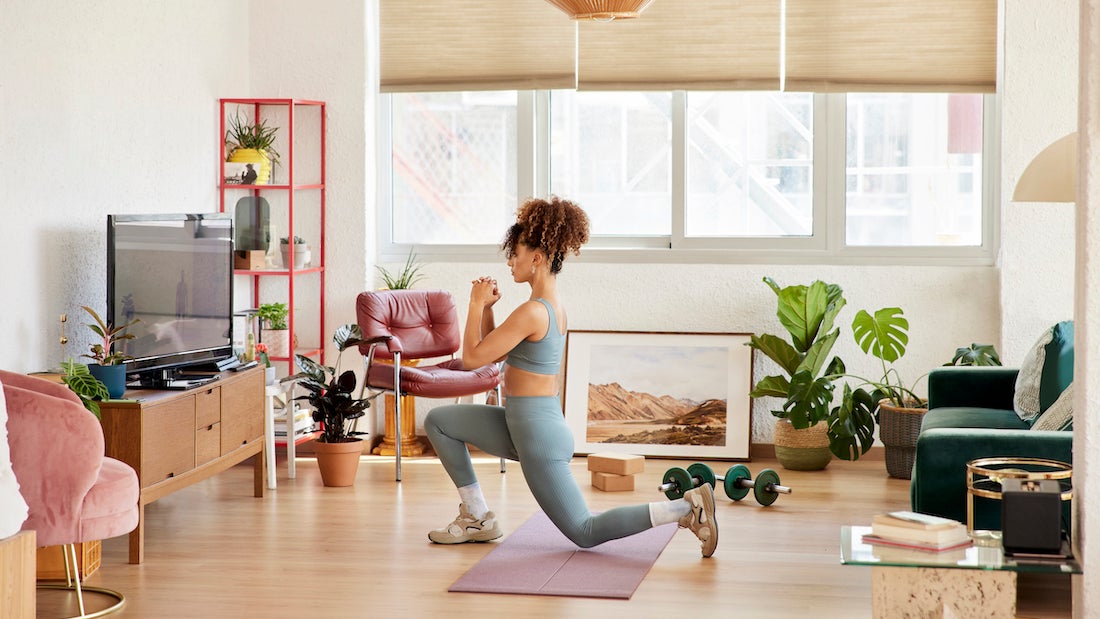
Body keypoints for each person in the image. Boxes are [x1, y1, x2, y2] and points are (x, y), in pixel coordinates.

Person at [424, 196, 718, 557]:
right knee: (440, 421)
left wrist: (472, 303)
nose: (510, 261)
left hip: (538, 436)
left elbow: (472, 359)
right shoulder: (548, 307)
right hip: (524, 424)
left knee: (584, 531)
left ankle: (686, 508)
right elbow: (494, 352)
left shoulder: (533, 311)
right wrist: (486, 311)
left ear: (537, 257)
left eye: (515, 253)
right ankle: (477, 516)